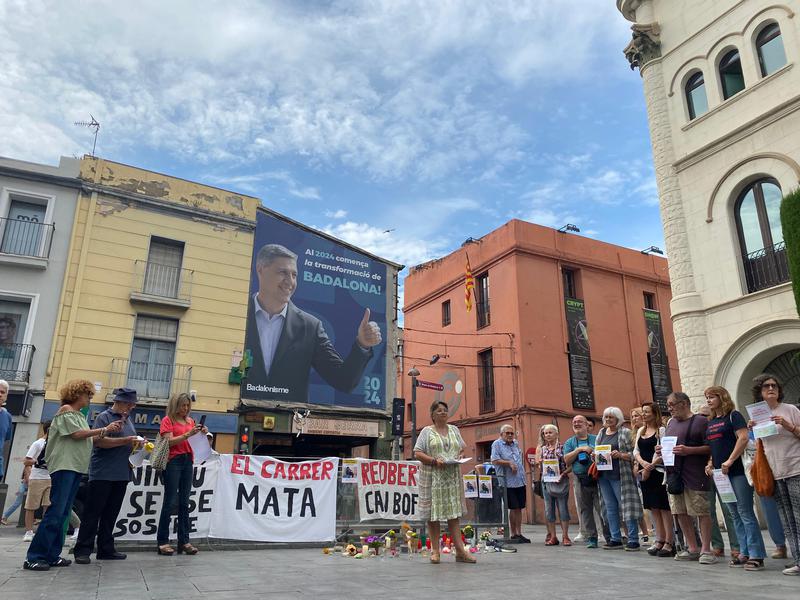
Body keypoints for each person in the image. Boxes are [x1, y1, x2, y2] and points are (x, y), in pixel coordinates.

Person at [243, 244, 382, 403]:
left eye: (294, 275)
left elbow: (344, 381)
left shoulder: (310, 326)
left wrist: (362, 345)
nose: (290, 281)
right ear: (260, 270)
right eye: (282, 272)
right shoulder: (237, 312)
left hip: (290, 421)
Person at [23, 380, 122, 571]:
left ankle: (52, 554)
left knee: (63, 513)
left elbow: (89, 437)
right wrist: (105, 429)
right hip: (64, 466)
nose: (90, 399)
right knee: (56, 512)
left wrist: (108, 433)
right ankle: (35, 556)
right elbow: (77, 434)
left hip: (75, 467)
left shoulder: (78, 415)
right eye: (88, 395)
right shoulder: (66, 410)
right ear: (78, 394)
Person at [74, 388, 141, 564]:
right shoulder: (103, 417)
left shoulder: (128, 421)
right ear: (120, 402)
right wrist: (126, 441)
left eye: (132, 404)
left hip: (122, 473)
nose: (132, 406)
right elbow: (97, 442)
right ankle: (83, 549)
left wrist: (138, 445)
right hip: (102, 473)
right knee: (92, 512)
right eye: (129, 403)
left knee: (111, 513)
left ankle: (106, 548)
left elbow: (126, 442)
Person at [703, 385, 766, 570]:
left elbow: (743, 437)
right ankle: (743, 552)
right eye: (707, 397)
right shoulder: (711, 421)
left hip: (737, 471)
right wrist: (710, 463)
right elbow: (715, 446)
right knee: (733, 513)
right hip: (719, 474)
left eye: (712, 397)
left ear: (722, 397)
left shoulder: (734, 416)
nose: (708, 400)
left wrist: (730, 460)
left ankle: (756, 554)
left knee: (745, 511)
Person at [750, 374, 800, 576]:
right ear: (760, 392)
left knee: (799, 516)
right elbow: (758, 447)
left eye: (774, 385)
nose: (771, 388)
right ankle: (797, 559)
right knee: (787, 519)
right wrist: (752, 431)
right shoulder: (758, 414)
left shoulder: (790, 409)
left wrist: (787, 425)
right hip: (775, 472)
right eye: (766, 386)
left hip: (796, 468)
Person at [413, 400, 475, 564]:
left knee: (453, 515)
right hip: (433, 478)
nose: (443, 412)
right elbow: (417, 452)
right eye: (439, 410)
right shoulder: (427, 432)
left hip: (452, 478)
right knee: (433, 515)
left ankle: (460, 551)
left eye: (445, 410)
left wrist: (461, 456)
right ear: (432, 415)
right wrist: (433, 460)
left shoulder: (454, 429)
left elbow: (461, 448)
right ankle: (435, 551)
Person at [659, 391, 715, 564]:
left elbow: (710, 447)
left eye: (672, 405)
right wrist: (661, 450)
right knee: (680, 511)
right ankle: (692, 547)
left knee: (701, 511)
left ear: (684, 403)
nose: (669, 409)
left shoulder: (700, 421)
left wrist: (689, 450)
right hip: (675, 475)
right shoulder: (670, 424)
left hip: (695, 474)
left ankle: (706, 549)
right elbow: (669, 446)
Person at [156, 392, 208, 556]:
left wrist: (201, 433)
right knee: (170, 501)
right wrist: (187, 434)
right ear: (175, 405)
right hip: (173, 461)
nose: (185, 408)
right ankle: (163, 541)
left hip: (187, 461)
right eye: (182, 405)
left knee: (185, 502)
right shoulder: (167, 420)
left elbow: (193, 440)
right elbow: (168, 441)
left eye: (187, 405)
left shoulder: (190, 421)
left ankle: (184, 541)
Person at [595, 406, 642, 551]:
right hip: (604, 475)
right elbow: (597, 449)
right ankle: (615, 538)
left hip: (621, 475)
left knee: (626, 506)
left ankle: (633, 539)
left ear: (618, 418)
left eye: (611, 417)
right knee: (610, 508)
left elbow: (634, 453)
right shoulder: (601, 433)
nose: (608, 419)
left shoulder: (625, 433)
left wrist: (621, 455)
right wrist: (595, 456)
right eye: (606, 417)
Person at [633, 402, 675, 557]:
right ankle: (659, 539)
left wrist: (650, 466)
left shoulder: (661, 430)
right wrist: (643, 464)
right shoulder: (641, 431)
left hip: (657, 472)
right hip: (645, 472)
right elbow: (636, 450)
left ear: (654, 413)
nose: (643, 414)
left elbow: (663, 450)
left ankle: (669, 541)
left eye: (646, 412)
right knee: (652, 507)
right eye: (642, 412)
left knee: (664, 507)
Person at [564, 414, 610, 548]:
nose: (577, 424)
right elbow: (566, 460)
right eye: (574, 422)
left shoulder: (596, 439)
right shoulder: (570, 442)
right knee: (585, 509)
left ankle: (609, 536)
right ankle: (592, 537)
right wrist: (579, 449)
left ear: (586, 425)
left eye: (579, 422)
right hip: (580, 479)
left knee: (602, 507)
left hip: (597, 477)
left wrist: (593, 452)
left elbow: (604, 454)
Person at [491, 424, 528, 542]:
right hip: (507, 482)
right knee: (513, 507)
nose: (510, 435)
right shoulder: (496, 444)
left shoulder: (515, 443)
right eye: (507, 433)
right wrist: (509, 463)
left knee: (520, 507)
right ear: (501, 434)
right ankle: (513, 534)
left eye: (512, 433)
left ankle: (519, 533)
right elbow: (495, 460)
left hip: (520, 480)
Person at [536, 424, 571, 546]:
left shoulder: (563, 447)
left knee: (563, 509)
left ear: (557, 434)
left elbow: (570, 466)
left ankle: (565, 536)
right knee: (548, 510)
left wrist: (563, 474)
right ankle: (553, 537)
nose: (548, 435)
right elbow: (540, 467)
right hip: (546, 482)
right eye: (546, 433)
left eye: (550, 432)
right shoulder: (543, 449)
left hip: (561, 481)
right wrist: (540, 463)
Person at [22, 422, 52, 542]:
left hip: (50, 478)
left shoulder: (55, 444)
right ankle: (29, 531)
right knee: (31, 506)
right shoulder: (38, 443)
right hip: (37, 477)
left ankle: (43, 531)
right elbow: (26, 461)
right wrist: (37, 463)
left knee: (48, 505)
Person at [0, 379, 12, 479]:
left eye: (2, 392)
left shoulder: (7, 417)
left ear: (6, 396)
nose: (0, 394)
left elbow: (5, 439)